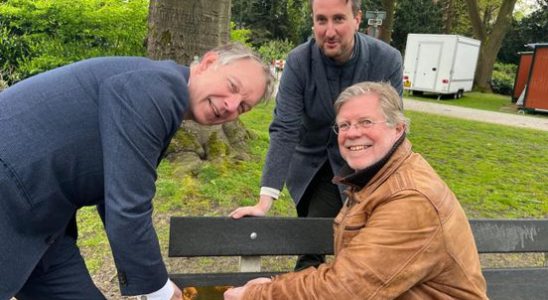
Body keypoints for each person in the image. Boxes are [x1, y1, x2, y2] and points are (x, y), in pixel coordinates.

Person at [0, 43, 274, 300]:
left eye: (243, 107)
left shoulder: (163, 94)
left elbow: (114, 193)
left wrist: (156, 282)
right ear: (208, 63)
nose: (230, 106)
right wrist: (160, 288)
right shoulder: (157, 88)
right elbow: (128, 206)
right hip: (10, 196)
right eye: (231, 86)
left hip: (43, 222)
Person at [224, 81, 488, 300]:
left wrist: (257, 294)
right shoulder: (377, 178)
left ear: (398, 128)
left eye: (365, 122)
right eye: (345, 125)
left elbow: (345, 289)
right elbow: (354, 276)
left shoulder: (410, 198)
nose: (352, 134)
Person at [229, 0, 403, 270]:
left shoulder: (386, 60)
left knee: (348, 248)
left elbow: (390, 129)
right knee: (316, 237)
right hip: (310, 167)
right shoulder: (299, 61)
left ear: (357, 19)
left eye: (339, 19)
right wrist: (264, 202)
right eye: (321, 20)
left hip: (362, 165)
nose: (329, 31)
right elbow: (285, 128)